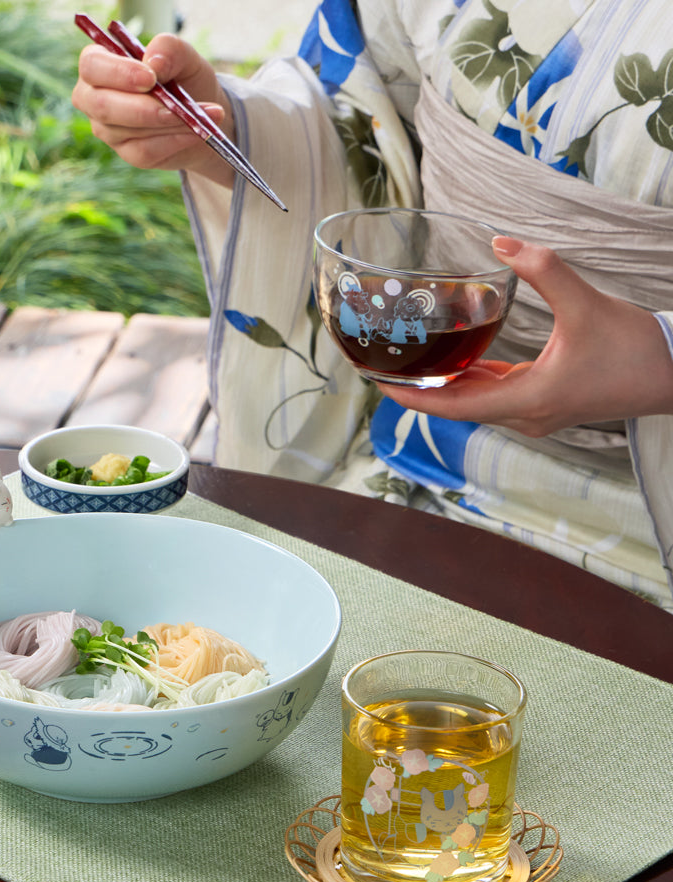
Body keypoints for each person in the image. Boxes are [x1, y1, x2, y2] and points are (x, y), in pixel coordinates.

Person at [73, 0, 673, 610]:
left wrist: (661, 360)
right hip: (419, 445)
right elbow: (366, 122)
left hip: (651, 521)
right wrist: (225, 129)